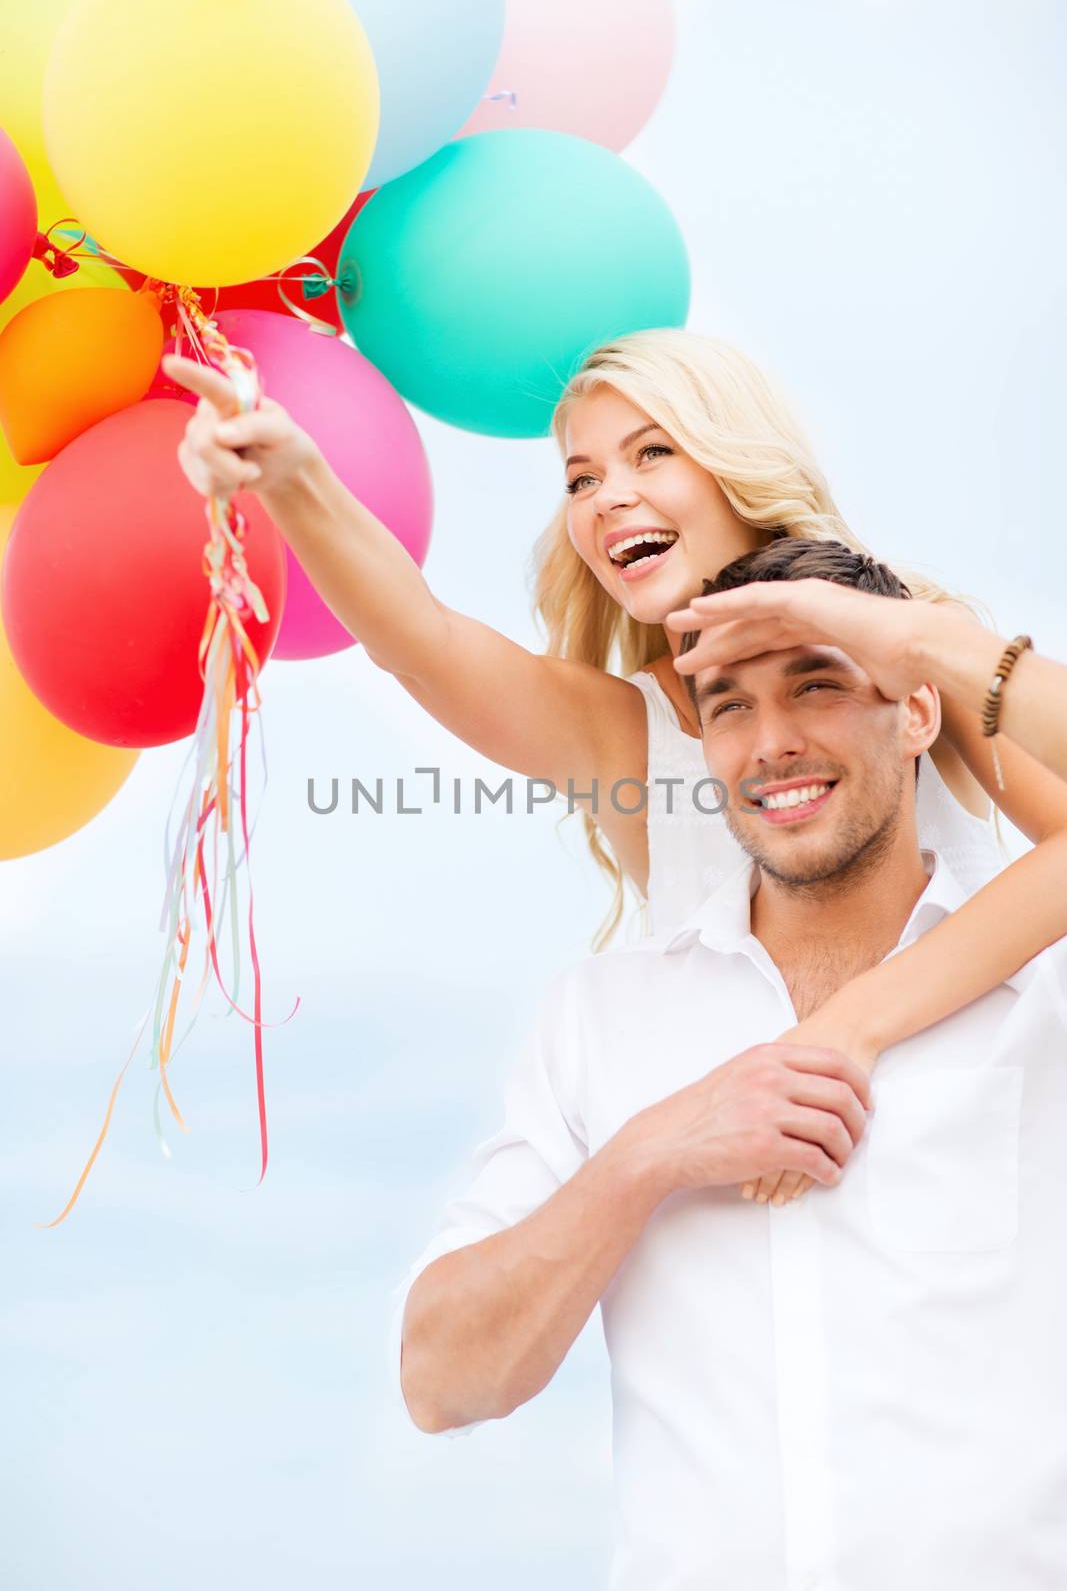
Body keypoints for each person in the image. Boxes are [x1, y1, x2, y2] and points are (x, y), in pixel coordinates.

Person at [164, 330, 1067, 1205]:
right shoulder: (620, 732)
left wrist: (846, 1031)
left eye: (649, 454)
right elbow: (422, 640)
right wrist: (295, 477)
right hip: (756, 1185)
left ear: (733, 465)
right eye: (581, 479)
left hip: (970, 1146)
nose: (605, 498)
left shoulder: (901, 647)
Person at [392, 538, 1067, 1590]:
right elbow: (441, 1377)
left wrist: (917, 637)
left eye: (818, 683)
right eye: (729, 705)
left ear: (918, 710)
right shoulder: (605, 1017)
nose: (773, 743)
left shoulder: (1046, 991)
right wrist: (650, 1154)